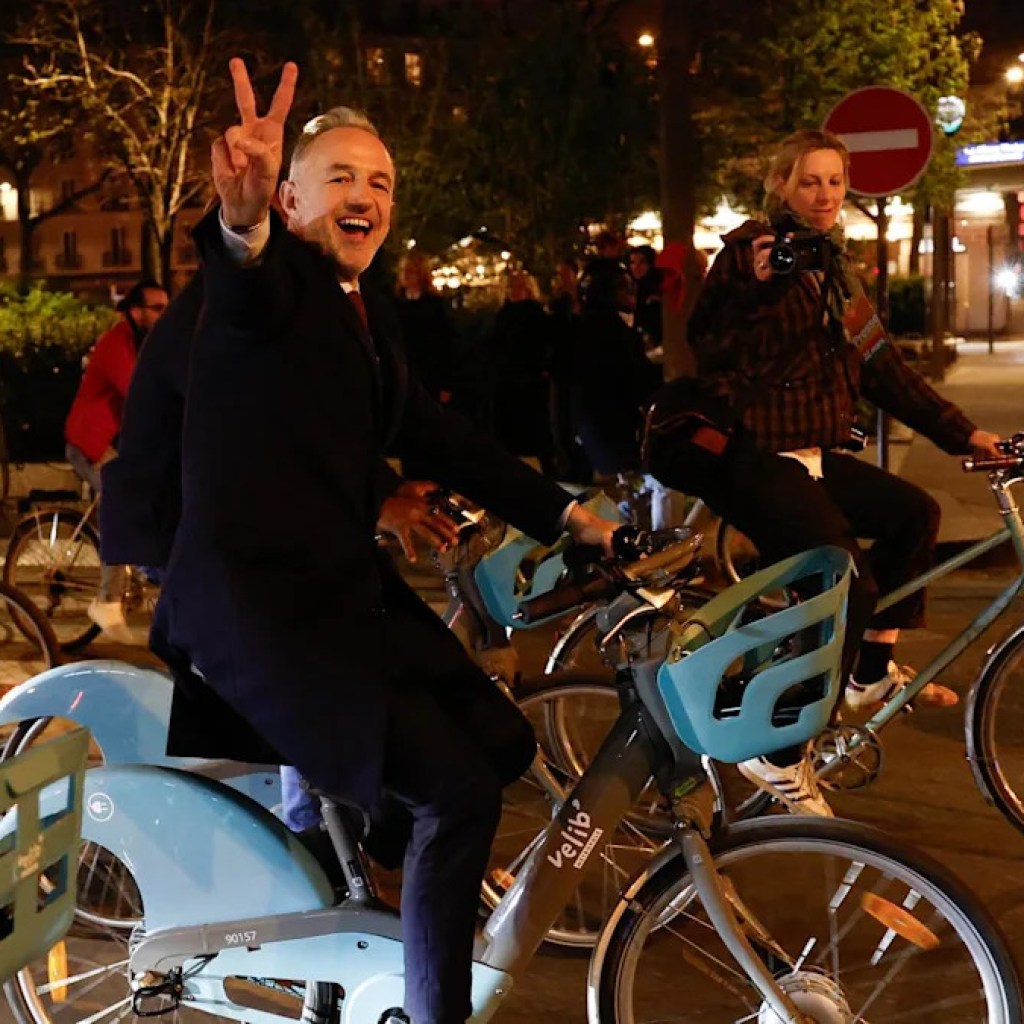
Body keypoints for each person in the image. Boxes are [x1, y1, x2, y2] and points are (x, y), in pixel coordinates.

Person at [148, 58, 616, 1024]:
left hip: (336, 592)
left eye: (382, 182)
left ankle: (380, 872)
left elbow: (439, 439)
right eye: (340, 178)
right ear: (287, 196)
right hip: (262, 612)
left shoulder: (360, 311)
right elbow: (247, 286)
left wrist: (573, 516)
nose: (364, 195)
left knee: (500, 742)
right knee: (456, 798)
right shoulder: (273, 290)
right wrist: (239, 226)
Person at [685, 128, 1002, 815]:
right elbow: (709, 341)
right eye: (809, 182)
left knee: (915, 516)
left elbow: (884, 371)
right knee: (842, 580)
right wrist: (765, 287)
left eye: (834, 181)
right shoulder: (749, 253)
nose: (824, 194)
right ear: (780, 186)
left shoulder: (837, 268)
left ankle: (868, 673)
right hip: (756, 458)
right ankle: (775, 753)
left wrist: (968, 436)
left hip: (816, 456)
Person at [64, 277, 168, 643]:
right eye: (157, 308)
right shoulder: (116, 343)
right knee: (118, 503)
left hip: (115, 443)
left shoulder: (141, 342)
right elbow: (139, 393)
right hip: (89, 442)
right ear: (136, 311)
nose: (164, 314)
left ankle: (138, 571)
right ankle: (106, 601)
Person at [569, 258, 667, 525]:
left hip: (603, 430)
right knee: (663, 484)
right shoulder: (610, 332)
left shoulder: (592, 327)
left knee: (638, 491)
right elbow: (631, 377)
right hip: (615, 430)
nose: (631, 295)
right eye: (623, 290)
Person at [489, 270, 556, 471]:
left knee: (534, 429)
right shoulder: (503, 315)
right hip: (507, 380)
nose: (514, 291)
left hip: (529, 381)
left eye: (518, 287)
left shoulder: (536, 315)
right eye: (511, 287)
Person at [627, 244, 663, 349]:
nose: (636, 267)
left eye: (642, 262)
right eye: (633, 263)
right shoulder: (630, 288)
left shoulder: (656, 289)